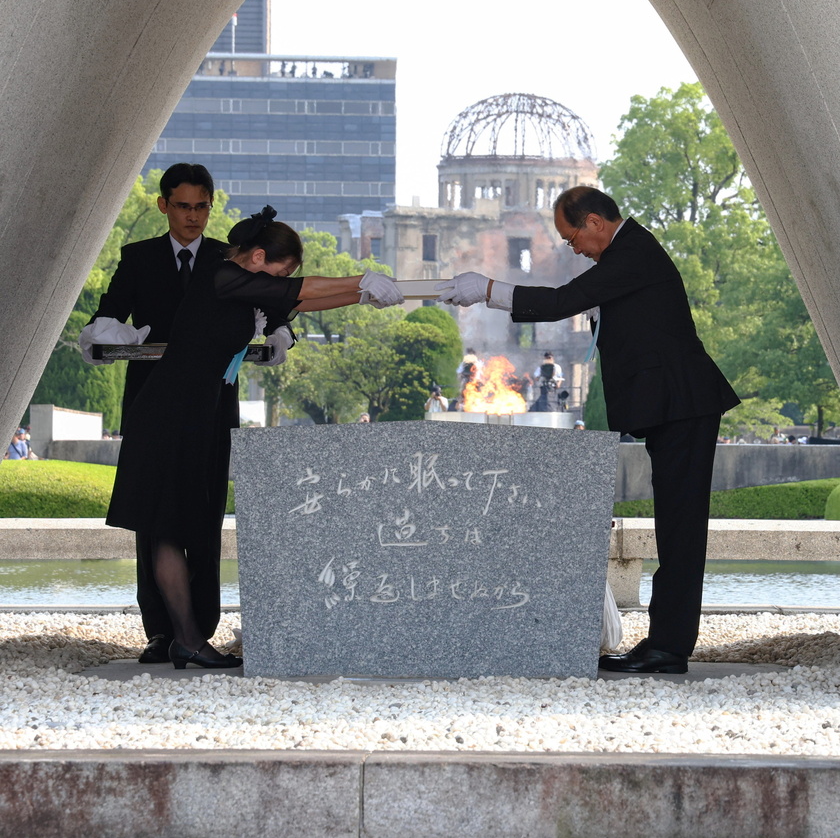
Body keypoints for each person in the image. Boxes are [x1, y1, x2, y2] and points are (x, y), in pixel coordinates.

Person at [436, 185, 739, 675]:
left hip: (685, 403)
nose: (570, 247)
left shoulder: (633, 251)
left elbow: (562, 301)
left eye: (570, 235)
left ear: (596, 222)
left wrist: (489, 291)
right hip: (676, 405)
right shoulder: (626, 255)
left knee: (682, 529)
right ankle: (665, 641)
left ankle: (670, 647)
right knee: (675, 525)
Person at [105, 206, 403, 670]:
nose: (283, 280)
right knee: (165, 528)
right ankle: (186, 638)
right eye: (280, 270)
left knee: (172, 526)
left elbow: (299, 300)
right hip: (168, 413)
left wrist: (358, 296)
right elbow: (297, 290)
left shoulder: (243, 288)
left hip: (189, 414)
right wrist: (361, 278)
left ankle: (186, 637)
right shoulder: (221, 276)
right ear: (258, 257)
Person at [78, 163, 293, 665]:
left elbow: (279, 300)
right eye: (183, 206)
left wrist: (281, 334)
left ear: (210, 207)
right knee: (153, 520)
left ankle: (199, 629)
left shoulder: (230, 256)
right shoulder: (139, 258)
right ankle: (162, 631)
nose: (193, 216)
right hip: (153, 398)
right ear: (163, 206)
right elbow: (108, 313)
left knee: (205, 513)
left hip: (214, 403)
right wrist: (100, 336)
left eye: (201, 206)